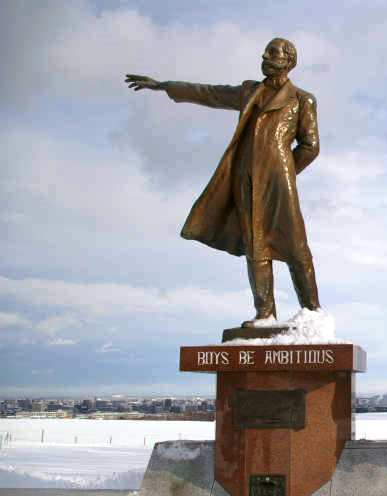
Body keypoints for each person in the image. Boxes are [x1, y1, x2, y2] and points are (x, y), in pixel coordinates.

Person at [125, 38, 320, 326]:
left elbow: (310, 146)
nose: (264, 56)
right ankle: (265, 314)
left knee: (296, 246)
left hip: (279, 182)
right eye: (265, 51)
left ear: (288, 60)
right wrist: (164, 86)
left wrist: (284, 172)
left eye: (272, 52)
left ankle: (313, 313)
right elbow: (209, 93)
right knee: (255, 245)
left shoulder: (303, 99)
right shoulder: (249, 91)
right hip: (245, 179)